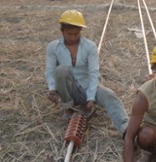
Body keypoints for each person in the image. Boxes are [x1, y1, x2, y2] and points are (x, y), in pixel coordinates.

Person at [45, 9, 129, 137]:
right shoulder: (53, 47)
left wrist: (91, 98)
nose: (73, 37)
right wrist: (52, 89)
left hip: (87, 87)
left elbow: (93, 73)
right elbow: (50, 71)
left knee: (109, 95)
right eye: (69, 34)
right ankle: (68, 108)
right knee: (62, 70)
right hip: (69, 90)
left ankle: (126, 129)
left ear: (80, 31)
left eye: (76, 34)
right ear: (62, 31)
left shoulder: (90, 46)